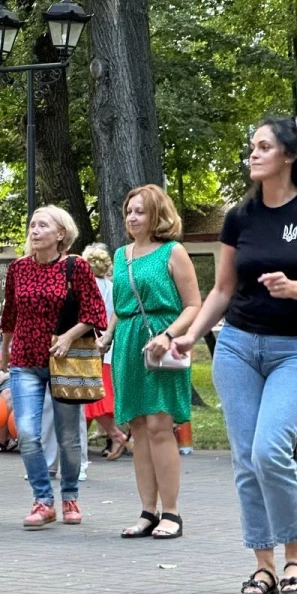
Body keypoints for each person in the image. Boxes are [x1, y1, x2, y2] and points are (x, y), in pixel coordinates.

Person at [172, 116, 297, 594]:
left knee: (269, 449)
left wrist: (295, 288)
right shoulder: (240, 217)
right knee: (246, 459)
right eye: (251, 146)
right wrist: (190, 336)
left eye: (263, 146)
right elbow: (223, 289)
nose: (252, 154)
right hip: (238, 347)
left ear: (289, 155)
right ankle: (264, 564)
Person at [99, 186, 199, 540]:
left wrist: (169, 335)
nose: (132, 217)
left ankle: (172, 512)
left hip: (161, 341)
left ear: (157, 214)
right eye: (129, 211)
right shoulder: (121, 254)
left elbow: (193, 305)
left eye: (140, 211)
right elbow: (121, 304)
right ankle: (147, 511)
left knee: (159, 425)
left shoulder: (174, 251)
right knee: (139, 429)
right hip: (129, 343)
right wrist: (109, 334)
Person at [0, 205, 108, 529]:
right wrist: (2, 353)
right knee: (28, 434)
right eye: (32, 224)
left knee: (68, 438)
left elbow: (95, 314)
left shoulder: (77, 267)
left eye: (42, 225)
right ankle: (43, 501)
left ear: (60, 234)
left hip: (65, 361)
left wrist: (67, 337)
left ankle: (70, 495)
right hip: (25, 361)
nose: (34, 230)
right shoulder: (18, 268)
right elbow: (10, 315)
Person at [81, 244, 129, 460]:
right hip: (109, 350)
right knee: (95, 399)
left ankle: (116, 435)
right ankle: (111, 436)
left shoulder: (88, 288)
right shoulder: (111, 287)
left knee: (92, 399)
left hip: (90, 349)